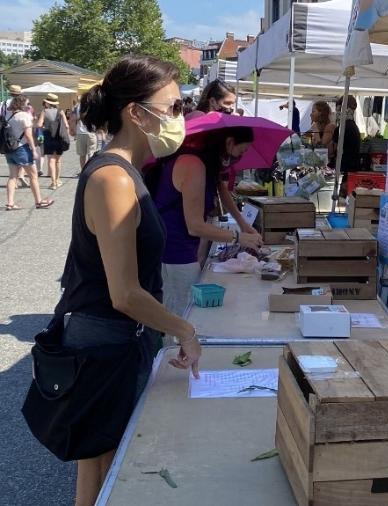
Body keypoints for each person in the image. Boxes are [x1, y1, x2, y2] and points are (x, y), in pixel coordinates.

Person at [56, 55, 201, 505]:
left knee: (103, 467)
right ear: (136, 112)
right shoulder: (113, 179)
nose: (181, 118)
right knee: (108, 468)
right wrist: (184, 329)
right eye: (174, 108)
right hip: (104, 345)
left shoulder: (126, 172)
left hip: (114, 341)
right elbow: (124, 292)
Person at [147, 126, 264, 316]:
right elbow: (194, 226)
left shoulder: (205, 163)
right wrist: (237, 237)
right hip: (174, 251)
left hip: (179, 247)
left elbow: (221, 189)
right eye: (242, 151)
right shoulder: (193, 165)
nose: (241, 157)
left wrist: (243, 224)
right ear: (228, 143)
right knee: (182, 315)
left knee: (183, 311)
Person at [4, 95, 53, 210]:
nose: (29, 105)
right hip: (22, 149)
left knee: (12, 177)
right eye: (27, 103)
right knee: (33, 176)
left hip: (10, 149)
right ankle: (39, 201)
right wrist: (34, 149)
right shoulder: (24, 116)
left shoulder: (10, 116)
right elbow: (28, 134)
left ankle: (10, 203)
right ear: (22, 104)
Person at [37, 93, 70, 189]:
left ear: (48, 103)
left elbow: (39, 125)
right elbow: (66, 125)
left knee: (51, 159)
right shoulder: (61, 111)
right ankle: (58, 179)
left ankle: (53, 182)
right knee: (58, 160)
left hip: (48, 137)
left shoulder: (44, 111)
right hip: (59, 138)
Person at [73, 99, 98, 170]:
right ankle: (90, 170)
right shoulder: (93, 105)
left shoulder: (76, 107)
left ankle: (83, 170)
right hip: (91, 132)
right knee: (91, 153)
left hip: (80, 133)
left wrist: (73, 131)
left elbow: (73, 119)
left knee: (82, 155)